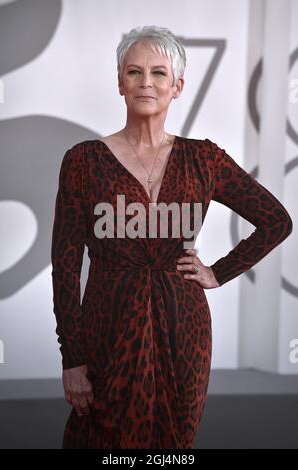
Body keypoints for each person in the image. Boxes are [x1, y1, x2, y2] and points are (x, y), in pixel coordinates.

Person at [51, 25, 293, 449]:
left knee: (174, 443)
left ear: (177, 86)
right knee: (98, 439)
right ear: (120, 83)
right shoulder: (83, 161)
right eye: (134, 72)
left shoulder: (204, 159)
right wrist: (72, 358)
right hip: (107, 326)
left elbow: (276, 220)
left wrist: (218, 272)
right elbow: (66, 268)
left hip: (184, 330)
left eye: (159, 73)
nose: (147, 82)